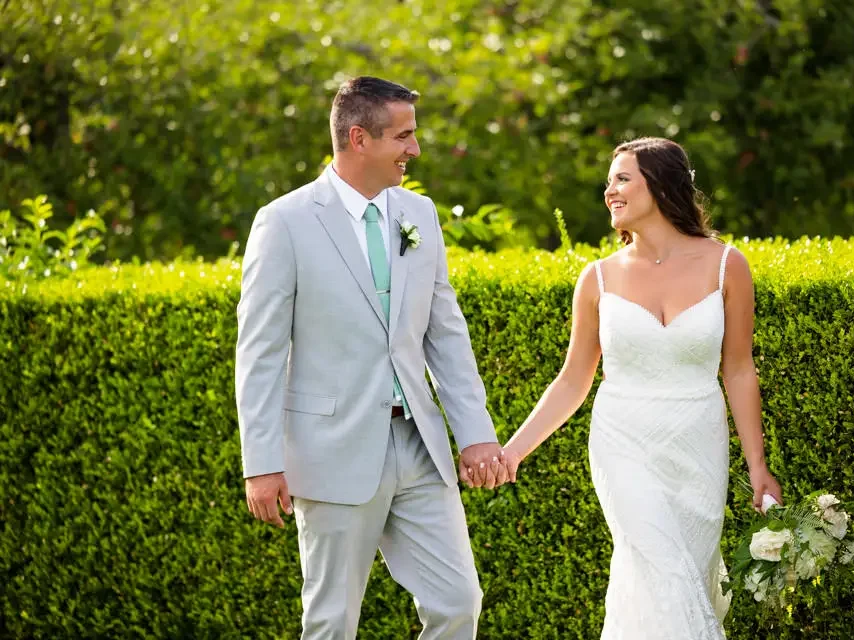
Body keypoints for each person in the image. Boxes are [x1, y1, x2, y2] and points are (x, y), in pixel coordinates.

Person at [235, 76, 508, 640]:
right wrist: (260, 462)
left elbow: (445, 334)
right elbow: (260, 352)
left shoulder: (420, 214)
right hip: (330, 449)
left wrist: (476, 432)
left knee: (459, 603)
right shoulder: (284, 221)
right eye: (403, 137)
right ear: (359, 138)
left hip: (419, 445)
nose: (415, 149)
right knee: (332, 622)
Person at [498, 137, 782, 638]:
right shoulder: (598, 278)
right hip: (623, 444)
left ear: (662, 184)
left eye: (622, 178)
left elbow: (738, 370)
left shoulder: (727, 265)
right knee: (660, 570)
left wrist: (757, 465)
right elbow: (572, 379)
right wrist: (514, 451)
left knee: (682, 578)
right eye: (609, 181)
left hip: (698, 449)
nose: (610, 191)